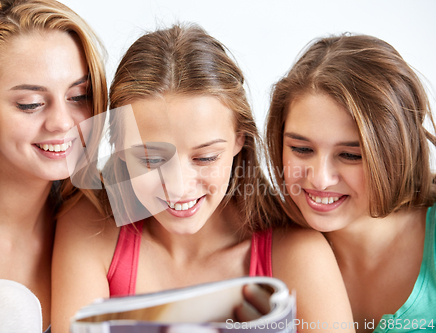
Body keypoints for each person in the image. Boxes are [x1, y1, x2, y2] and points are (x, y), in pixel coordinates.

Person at [52, 24, 354, 333]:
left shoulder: (299, 255)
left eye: (205, 158)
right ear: (117, 146)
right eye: (151, 160)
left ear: (240, 139)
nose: (179, 187)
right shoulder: (90, 224)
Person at [0, 0, 107, 331]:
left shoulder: (98, 217)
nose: (61, 123)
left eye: (79, 96)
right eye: (31, 104)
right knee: (6, 306)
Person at [265, 34, 436, 333]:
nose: (320, 178)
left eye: (350, 155)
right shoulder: (263, 244)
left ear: (396, 151)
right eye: (302, 149)